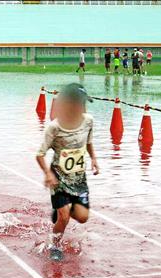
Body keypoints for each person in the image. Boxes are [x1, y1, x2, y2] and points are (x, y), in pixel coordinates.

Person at [35, 83, 99, 261]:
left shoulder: (88, 121)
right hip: (58, 177)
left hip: (78, 177)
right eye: (79, 103)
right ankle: (55, 246)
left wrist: (93, 158)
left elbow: (88, 142)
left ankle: (61, 210)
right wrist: (48, 174)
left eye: (84, 104)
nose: (82, 107)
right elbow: (40, 155)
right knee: (64, 217)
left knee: (82, 217)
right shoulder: (54, 127)